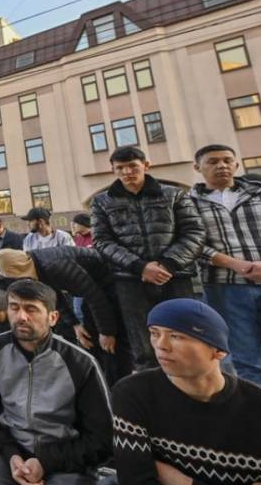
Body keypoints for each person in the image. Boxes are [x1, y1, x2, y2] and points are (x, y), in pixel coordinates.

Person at [112, 298, 261, 484]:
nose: (161, 345)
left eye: (176, 336)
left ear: (218, 352)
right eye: (154, 333)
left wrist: (186, 482)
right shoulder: (132, 393)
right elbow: (134, 478)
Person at [0, 280, 113, 485]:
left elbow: (102, 437)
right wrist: (11, 454)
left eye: (31, 309)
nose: (21, 317)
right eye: (14, 308)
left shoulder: (80, 362)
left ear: (53, 317)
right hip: (10, 451)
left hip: (66, 456)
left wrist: (46, 461)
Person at [189, 144, 261, 398]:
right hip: (225, 288)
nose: (221, 166)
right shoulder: (188, 203)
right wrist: (234, 264)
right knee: (248, 364)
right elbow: (192, 243)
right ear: (198, 168)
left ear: (236, 165)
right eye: (213, 161)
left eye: (227, 160)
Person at [91, 146, 206, 370]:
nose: (127, 172)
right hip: (130, 280)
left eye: (133, 166)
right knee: (143, 346)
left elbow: (194, 232)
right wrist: (140, 267)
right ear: (113, 170)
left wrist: (168, 264)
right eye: (120, 168)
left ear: (146, 165)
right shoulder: (102, 201)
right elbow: (102, 241)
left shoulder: (173, 194)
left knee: (184, 337)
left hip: (176, 276)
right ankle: (153, 394)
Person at [0, 247, 131, 385]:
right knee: (90, 338)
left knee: (113, 344)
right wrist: (75, 324)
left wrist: (106, 332)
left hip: (109, 284)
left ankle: (118, 387)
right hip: (92, 293)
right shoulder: (35, 266)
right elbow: (54, 298)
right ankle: (99, 382)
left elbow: (94, 295)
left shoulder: (54, 265)